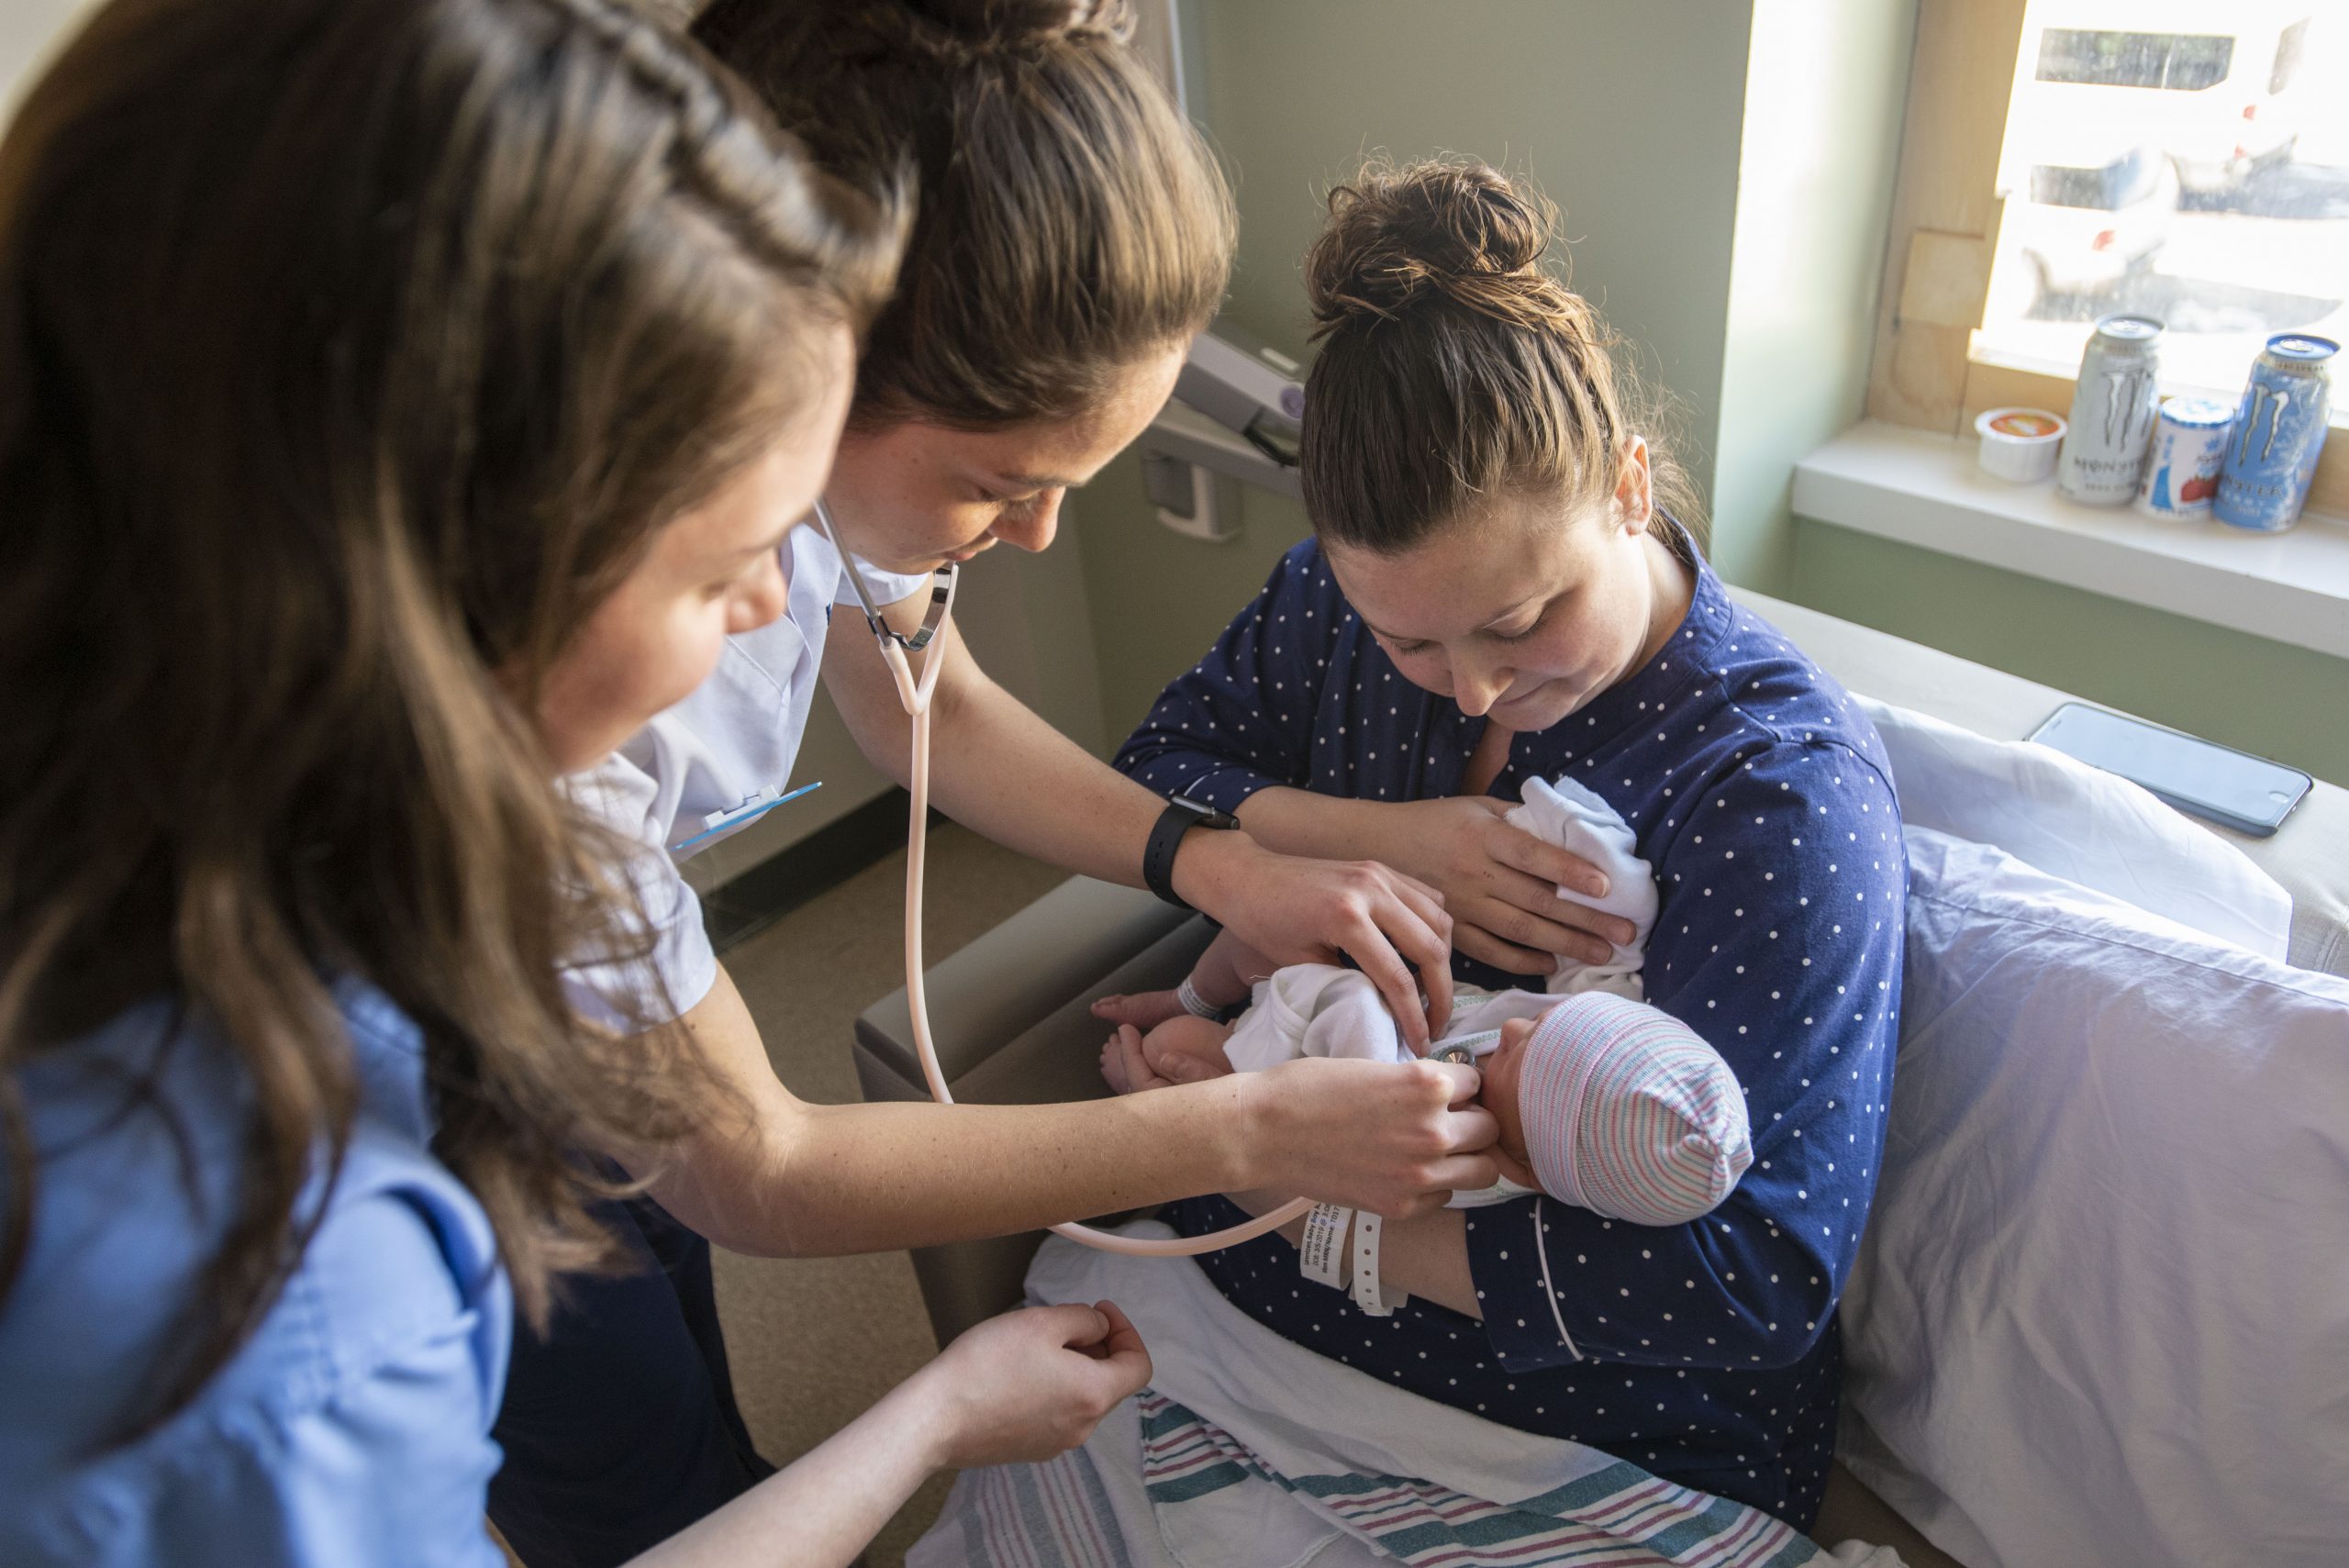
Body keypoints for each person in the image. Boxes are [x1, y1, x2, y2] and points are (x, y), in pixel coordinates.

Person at [0, 1, 1145, 1562]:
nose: (772, 610)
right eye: (735, 558)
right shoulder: (298, 1299)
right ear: (459, 566)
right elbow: (759, 1161)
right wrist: (932, 1417)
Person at [451, 5, 1502, 1563]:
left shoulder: (798, 463)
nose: (1036, 539)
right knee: (613, 1426)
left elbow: (926, 698)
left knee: (667, 1289)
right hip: (461, 1080)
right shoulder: (526, 765)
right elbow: (760, 1161)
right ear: (808, 362)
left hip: (601, 1001)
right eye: (1004, 485)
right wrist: (1252, 1130)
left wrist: (1214, 863)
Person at [1085, 159, 1908, 1529]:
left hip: (1594, 1414)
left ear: (1631, 487)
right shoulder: (1328, 611)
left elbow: (1762, 1275)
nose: (1466, 689)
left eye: (1523, 622)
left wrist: (1269, 1174)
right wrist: (1384, 836)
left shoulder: (1775, 789)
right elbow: (1157, 775)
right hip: (1236, 1285)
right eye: (1409, 639)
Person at [1097, 929, 1755, 1228]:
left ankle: (1164, 1051)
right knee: (1261, 937)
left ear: (1525, 1166)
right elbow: (1601, 970)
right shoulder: (1544, 1047)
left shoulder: (1463, 1160)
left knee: (1175, 1047)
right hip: (1330, 1020)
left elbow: (1359, 1083)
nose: (1517, 1029)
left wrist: (1347, 998)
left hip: (1293, 1084)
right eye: (1545, 1021)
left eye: (1511, 1061)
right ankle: (1187, 995)